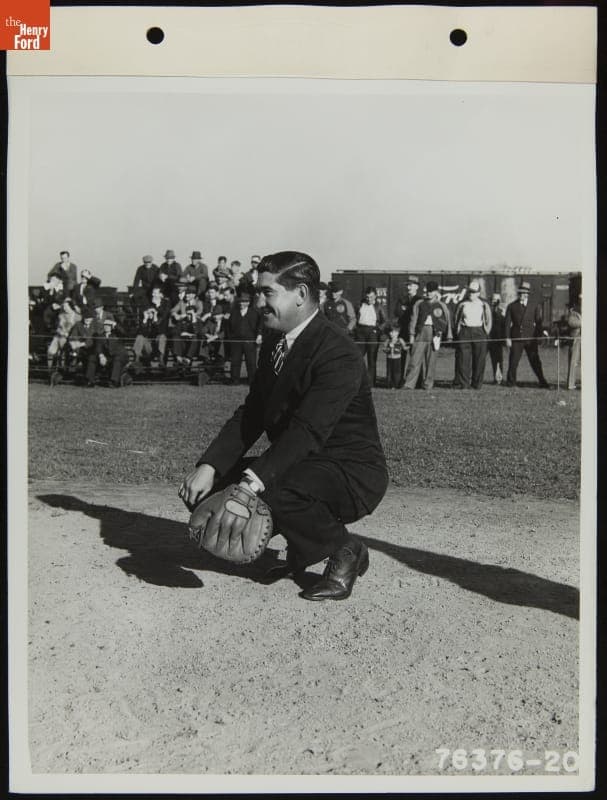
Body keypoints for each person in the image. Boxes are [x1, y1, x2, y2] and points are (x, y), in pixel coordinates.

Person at [180, 251, 389, 602]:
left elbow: (307, 430)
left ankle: (344, 549)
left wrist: (250, 487)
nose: (258, 302)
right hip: (302, 462)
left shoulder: (338, 351)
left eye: (268, 293)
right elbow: (253, 413)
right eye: (257, 292)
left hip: (350, 471)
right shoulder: (276, 341)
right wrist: (210, 466)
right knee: (213, 489)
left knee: (271, 486)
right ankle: (301, 550)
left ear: (301, 294)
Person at [402, 281, 452, 390]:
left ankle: (428, 384)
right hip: (420, 332)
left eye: (432, 291)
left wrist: (449, 335)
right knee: (415, 360)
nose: (429, 293)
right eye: (428, 291)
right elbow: (413, 319)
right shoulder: (419, 303)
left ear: (436, 292)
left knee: (431, 361)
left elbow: (447, 320)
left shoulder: (441, 305)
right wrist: (411, 334)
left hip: (435, 333)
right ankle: (409, 384)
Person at [504, 281, 550, 388]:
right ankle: (511, 382)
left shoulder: (534, 305)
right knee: (513, 361)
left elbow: (538, 323)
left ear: (528, 294)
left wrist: (538, 337)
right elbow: (507, 324)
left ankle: (542, 381)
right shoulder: (511, 306)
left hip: (530, 338)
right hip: (516, 338)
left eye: (524, 293)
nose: (522, 295)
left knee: (535, 361)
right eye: (520, 293)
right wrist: (507, 338)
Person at [452, 280, 492, 390]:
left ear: (478, 293)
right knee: (463, 359)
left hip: (479, 332)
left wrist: (486, 332)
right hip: (465, 331)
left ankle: (477, 384)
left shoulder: (483, 304)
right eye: (469, 291)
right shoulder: (462, 304)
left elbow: (489, 320)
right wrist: (459, 331)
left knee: (479, 359)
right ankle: (464, 384)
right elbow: (456, 318)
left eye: (474, 292)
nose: (471, 294)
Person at [226, 289, 262, 384]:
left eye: (244, 302)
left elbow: (260, 326)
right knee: (235, 361)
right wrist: (231, 338)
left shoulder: (254, 313)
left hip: (249, 341)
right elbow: (229, 326)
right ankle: (234, 380)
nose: (241, 303)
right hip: (236, 341)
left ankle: (252, 380)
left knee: (251, 362)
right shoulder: (234, 312)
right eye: (240, 301)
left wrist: (259, 335)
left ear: (248, 303)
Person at [355, 287, 387, 387]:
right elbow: (354, 318)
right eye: (367, 297)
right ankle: (358, 381)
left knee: (372, 358)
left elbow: (385, 321)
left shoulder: (379, 306)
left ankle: (371, 383)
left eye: (371, 297)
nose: (369, 299)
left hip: (373, 332)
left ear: (375, 296)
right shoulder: (360, 305)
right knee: (358, 357)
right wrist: (356, 329)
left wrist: (378, 330)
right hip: (361, 332)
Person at [86, 318, 130, 387]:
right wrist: (101, 356)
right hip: (107, 357)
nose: (106, 327)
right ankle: (90, 380)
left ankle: (114, 381)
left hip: (119, 356)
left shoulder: (117, 334)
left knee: (117, 359)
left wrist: (115, 324)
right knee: (92, 358)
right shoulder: (101, 336)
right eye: (105, 325)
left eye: (108, 325)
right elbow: (98, 347)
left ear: (111, 326)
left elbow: (123, 332)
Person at [488, 292, 507, 384]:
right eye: (493, 299)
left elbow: (505, 325)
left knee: (498, 360)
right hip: (486, 338)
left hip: (497, 339)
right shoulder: (487, 310)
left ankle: (498, 378)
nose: (494, 301)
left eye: (497, 299)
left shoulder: (502, 312)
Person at [566, 294, 581, 390]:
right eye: (580, 300)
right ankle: (571, 384)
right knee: (573, 362)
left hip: (586, 338)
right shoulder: (573, 311)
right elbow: (571, 322)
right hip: (576, 339)